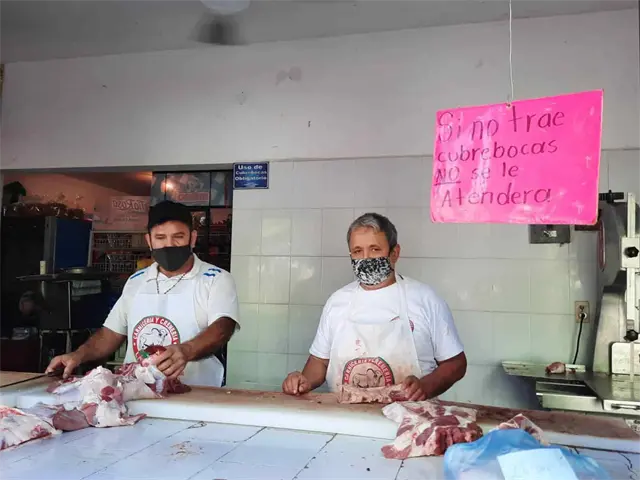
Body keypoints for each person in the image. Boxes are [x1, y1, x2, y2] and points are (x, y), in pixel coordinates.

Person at [46, 200, 239, 387]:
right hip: (138, 391)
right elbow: (110, 333)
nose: (169, 245)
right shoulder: (136, 281)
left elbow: (222, 327)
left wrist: (186, 350)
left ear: (193, 238)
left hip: (195, 393)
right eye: (160, 238)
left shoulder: (215, 279)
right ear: (149, 241)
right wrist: (78, 355)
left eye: (178, 237)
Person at [282, 212, 466, 401]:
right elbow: (319, 362)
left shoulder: (425, 299)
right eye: (357, 251)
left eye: (375, 249)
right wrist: (303, 380)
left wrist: (427, 385)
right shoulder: (336, 302)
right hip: (345, 413)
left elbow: (456, 363)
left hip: (410, 415)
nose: (366, 258)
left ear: (394, 253)